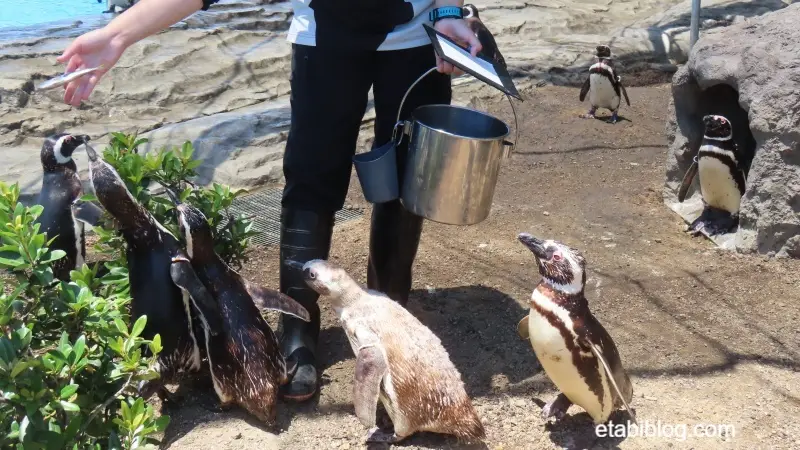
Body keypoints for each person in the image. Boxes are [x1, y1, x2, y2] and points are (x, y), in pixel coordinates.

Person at [58, 0, 481, 401]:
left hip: (419, 39)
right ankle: (297, 329)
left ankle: (392, 317)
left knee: (408, 177)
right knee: (311, 177)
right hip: (324, 35)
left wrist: (448, 11)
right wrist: (117, 33)